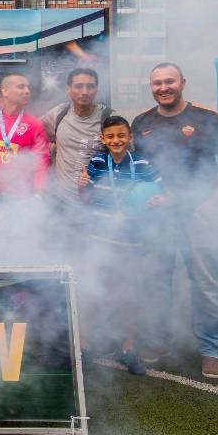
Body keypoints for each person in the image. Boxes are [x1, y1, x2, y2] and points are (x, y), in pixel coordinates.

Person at [131, 62, 218, 378]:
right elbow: (138, 170)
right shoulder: (141, 122)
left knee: (207, 283)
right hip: (158, 215)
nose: (163, 87)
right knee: (156, 280)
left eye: (169, 81)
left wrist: (211, 202)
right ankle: (158, 340)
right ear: (151, 86)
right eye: (157, 83)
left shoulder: (209, 118)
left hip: (198, 213)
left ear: (183, 82)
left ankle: (213, 350)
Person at [78, 116, 162, 375]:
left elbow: (162, 193)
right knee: (90, 291)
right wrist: (82, 186)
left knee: (129, 295)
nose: (116, 140)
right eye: (111, 136)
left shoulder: (142, 164)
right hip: (98, 238)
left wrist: (157, 201)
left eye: (121, 135)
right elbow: (85, 198)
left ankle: (128, 349)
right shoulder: (96, 162)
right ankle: (84, 346)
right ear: (103, 139)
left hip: (131, 241)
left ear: (130, 137)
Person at [41, 68, 114, 209]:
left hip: (96, 204)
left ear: (96, 90)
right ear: (68, 89)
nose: (85, 91)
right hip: (61, 203)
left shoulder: (108, 118)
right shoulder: (58, 113)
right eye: (79, 86)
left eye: (90, 86)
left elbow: (125, 158)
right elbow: (31, 130)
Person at [0, 74, 49, 194]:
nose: (27, 91)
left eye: (28, 87)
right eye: (21, 87)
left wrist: (39, 193)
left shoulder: (35, 125)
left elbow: (41, 163)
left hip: (16, 196)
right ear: (5, 91)